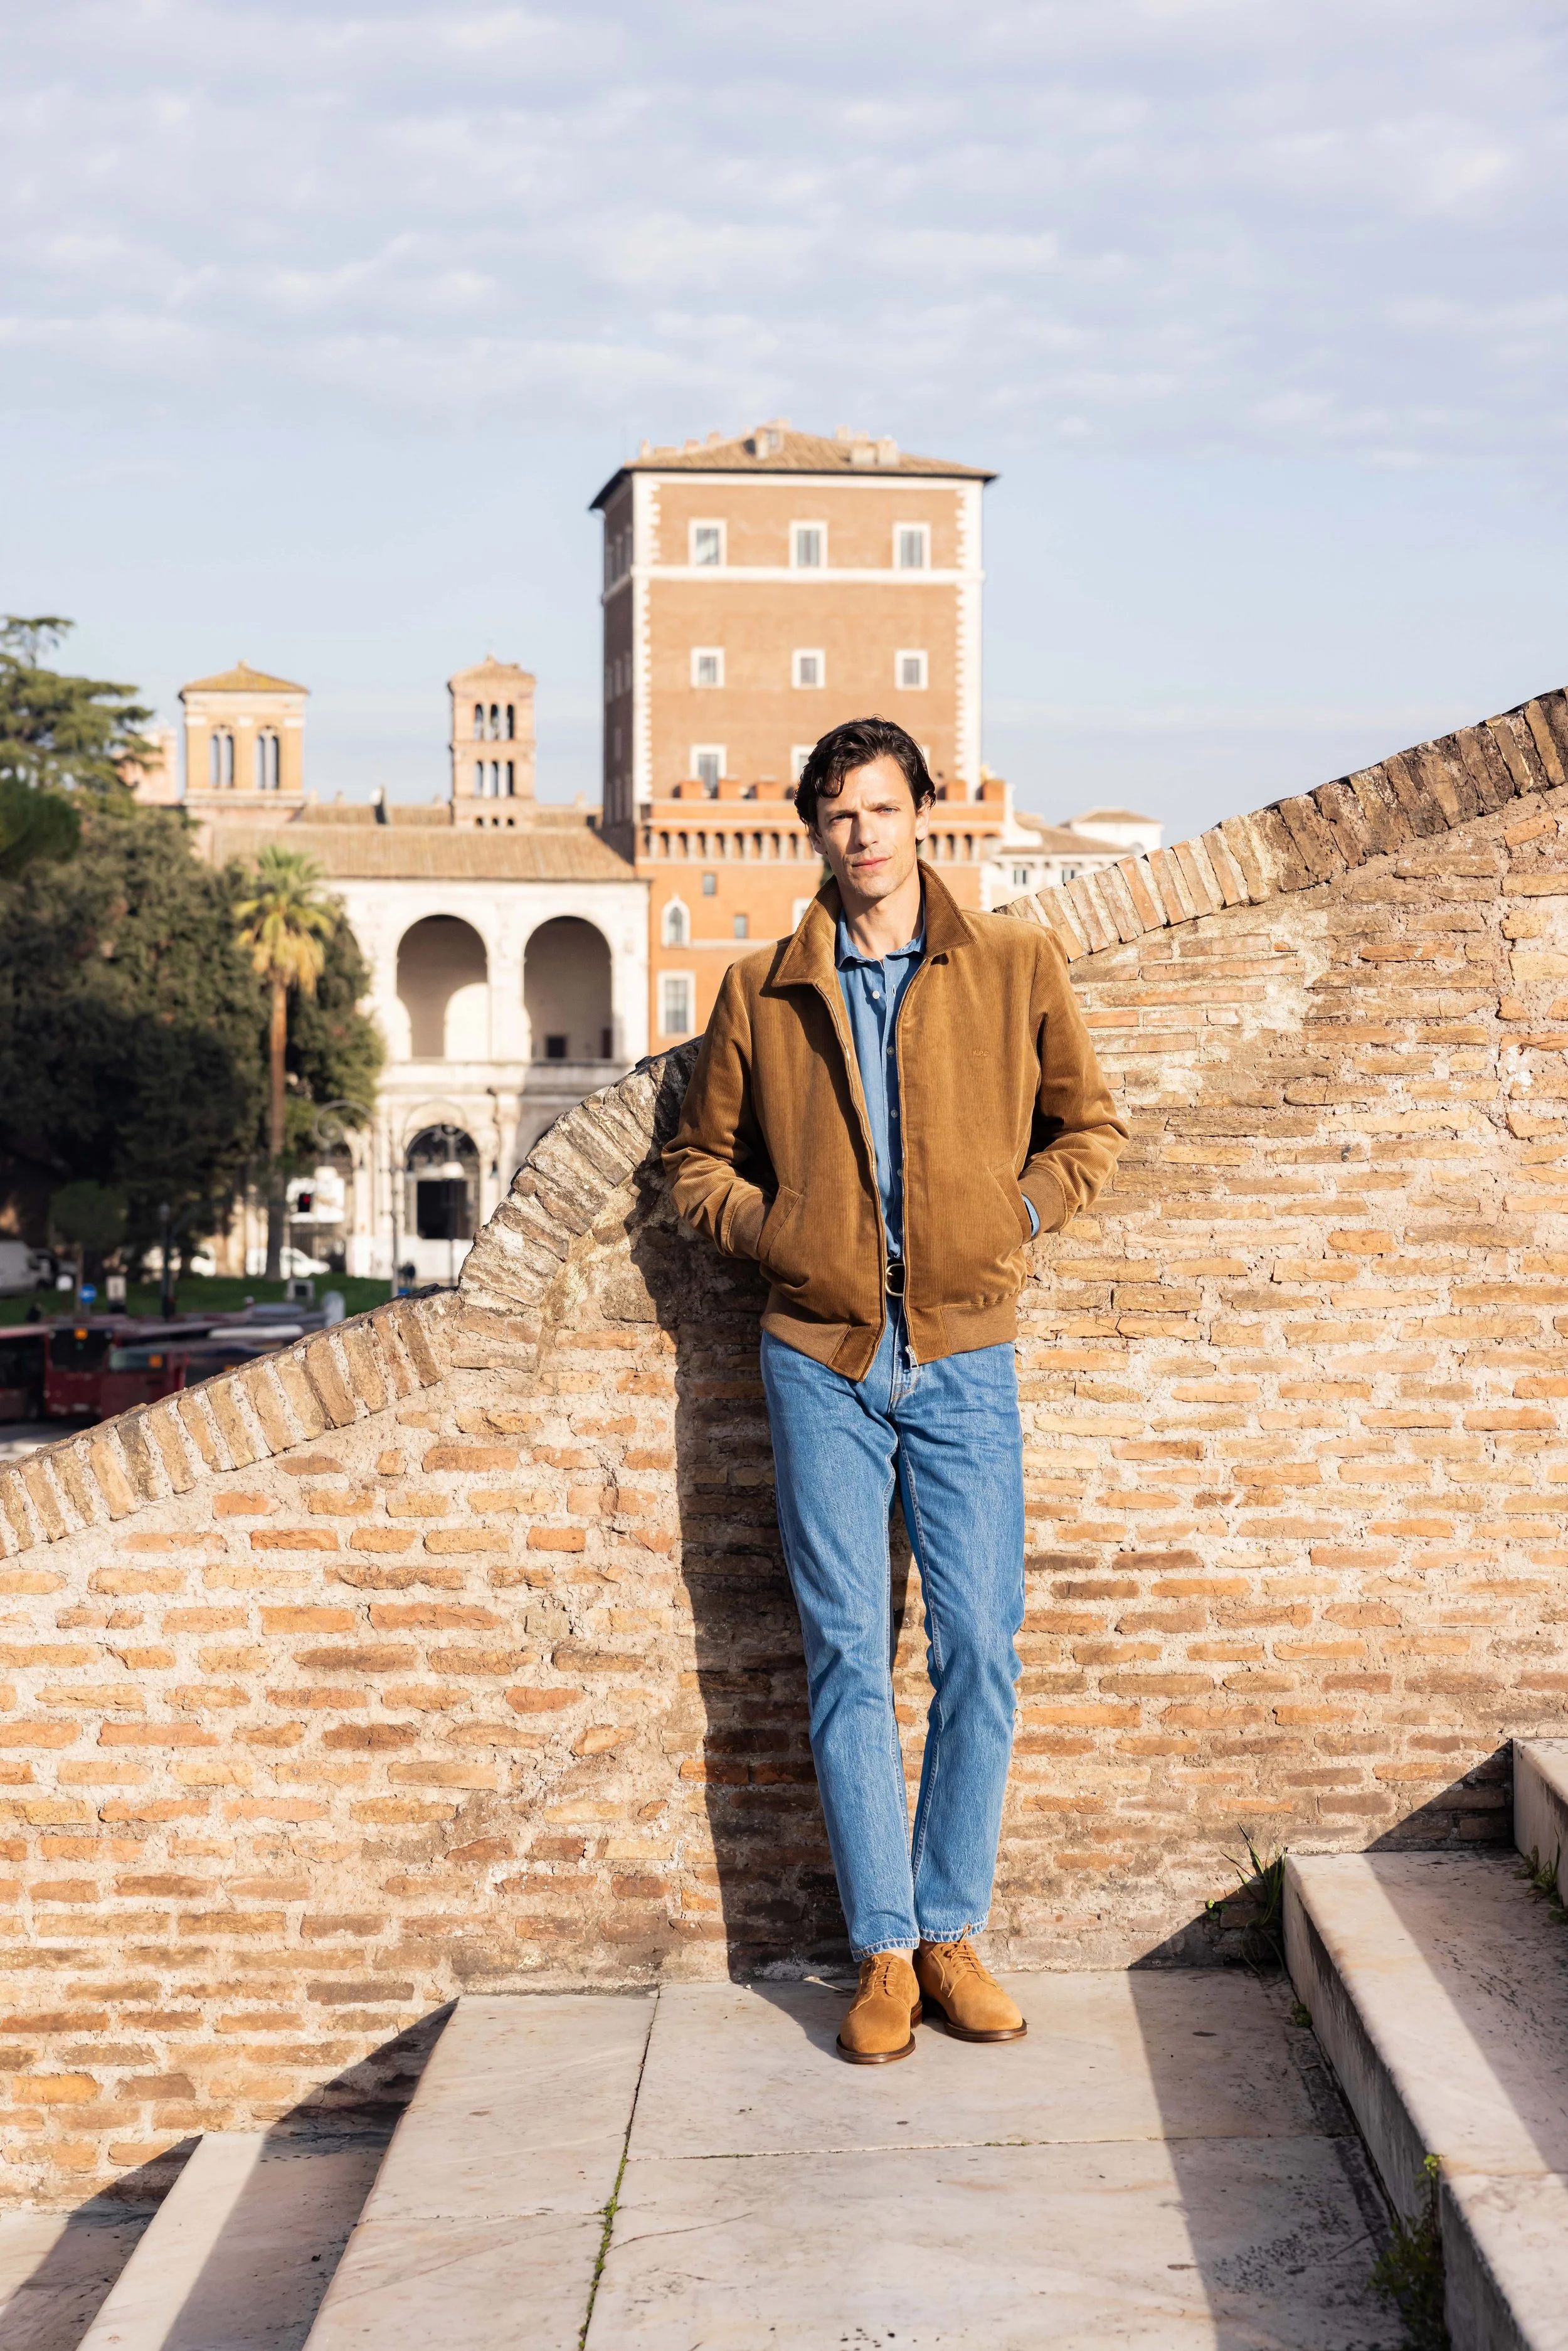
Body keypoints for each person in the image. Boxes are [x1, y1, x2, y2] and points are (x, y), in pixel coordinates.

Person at [664, 718, 1126, 2064]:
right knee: (847, 1653)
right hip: (819, 1359)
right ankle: (881, 1949)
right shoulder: (762, 989)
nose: (860, 834)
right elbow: (697, 1166)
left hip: (964, 1350)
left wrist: (1010, 1216)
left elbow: (1088, 1128)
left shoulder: (1013, 963)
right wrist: (784, 1234)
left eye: (880, 808)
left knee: (981, 1644)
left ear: (923, 814)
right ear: (815, 830)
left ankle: (951, 1931)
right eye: (837, 814)